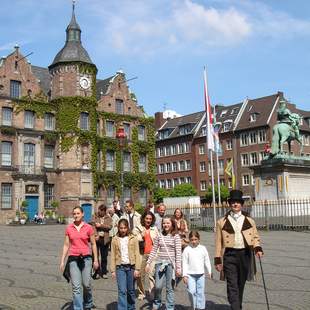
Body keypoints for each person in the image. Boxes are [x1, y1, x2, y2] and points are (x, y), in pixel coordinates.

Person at [214, 190, 263, 310]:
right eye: (233, 202)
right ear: (229, 204)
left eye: (237, 202)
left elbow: (255, 236)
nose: (235, 204)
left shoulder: (249, 220)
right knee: (232, 284)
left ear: (241, 204)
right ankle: (235, 307)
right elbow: (218, 242)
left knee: (241, 283)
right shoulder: (221, 222)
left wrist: (257, 248)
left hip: (245, 254)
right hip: (230, 255)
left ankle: (237, 306)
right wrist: (217, 260)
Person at [60, 206, 98, 310]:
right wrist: (62, 261)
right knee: (76, 287)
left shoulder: (88, 228)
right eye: (74, 214)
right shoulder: (69, 228)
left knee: (86, 284)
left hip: (86, 258)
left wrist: (96, 260)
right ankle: (78, 307)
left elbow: (94, 244)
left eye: (78, 213)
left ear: (82, 214)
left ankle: (88, 303)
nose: (76, 215)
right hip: (73, 259)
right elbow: (66, 245)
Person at [146, 216, 182, 310]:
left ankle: (169, 307)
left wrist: (178, 268)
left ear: (172, 224)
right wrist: (148, 263)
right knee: (158, 286)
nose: (165, 225)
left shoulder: (176, 236)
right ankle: (157, 302)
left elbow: (178, 253)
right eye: (164, 223)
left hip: (171, 265)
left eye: (167, 223)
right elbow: (154, 250)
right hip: (160, 263)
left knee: (169, 288)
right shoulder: (159, 235)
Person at [110, 219, 142, 310]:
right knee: (122, 291)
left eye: (124, 228)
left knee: (131, 291)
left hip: (131, 267)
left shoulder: (133, 238)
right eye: (121, 228)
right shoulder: (114, 239)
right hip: (120, 268)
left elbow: (137, 253)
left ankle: (131, 307)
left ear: (128, 228)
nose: (123, 230)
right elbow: (112, 255)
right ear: (118, 228)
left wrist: (137, 269)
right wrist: (113, 270)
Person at [182, 231, 212, 310]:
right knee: (191, 292)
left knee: (200, 293)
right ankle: (193, 306)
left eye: (195, 239)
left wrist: (209, 271)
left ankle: (200, 307)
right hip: (190, 275)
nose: (194, 241)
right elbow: (184, 263)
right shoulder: (187, 249)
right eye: (192, 240)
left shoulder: (203, 248)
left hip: (201, 275)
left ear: (199, 239)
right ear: (189, 240)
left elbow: (207, 260)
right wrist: (184, 275)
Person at [134, 211, 159, 300]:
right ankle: (141, 292)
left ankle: (152, 293)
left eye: (150, 219)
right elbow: (133, 239)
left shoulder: (154, 229)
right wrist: (141, 235)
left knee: (151, 274)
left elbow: (158, 241)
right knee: (140, 275)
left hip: (152, 254)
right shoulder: (138, 228)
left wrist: (157, 253)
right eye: (147, 218)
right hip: (141, 254)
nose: (148, 220)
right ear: (143, 219)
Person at [91, 205, 112, 279]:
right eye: (99, 210)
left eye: (101, 211)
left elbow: (109, 227)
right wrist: (96, 234)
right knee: (95, 256)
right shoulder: (95, 216)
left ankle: (103, 272)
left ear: (104, 211)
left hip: (105, 239)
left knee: (104, 257)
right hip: (96, 239)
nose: (100, 212)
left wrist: (101, 225)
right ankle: (96, 272)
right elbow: (92, 225)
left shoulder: (108, 218)